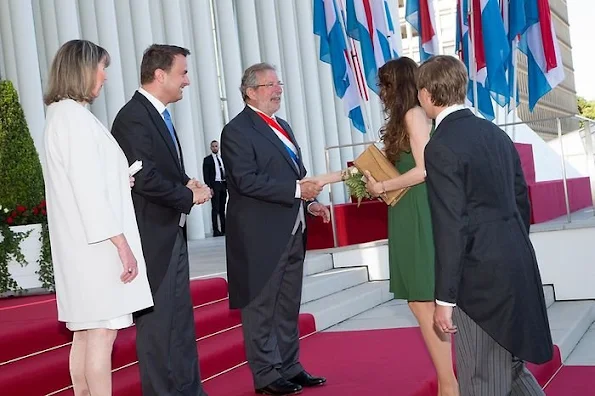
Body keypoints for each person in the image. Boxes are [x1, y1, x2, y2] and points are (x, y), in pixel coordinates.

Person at [303, 57, 459, 396]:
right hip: (405, 214)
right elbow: (371, 168)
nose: (379, 92)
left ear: (397, 85)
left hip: (418, 213)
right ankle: (448, 381)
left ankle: (449, 385)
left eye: (384, 84)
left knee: (424, 303)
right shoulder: (404, 120)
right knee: (419, 303)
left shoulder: (414, 115)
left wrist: (382, 189)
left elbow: (423, 169)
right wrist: (324, 179)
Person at [418, 55, 553, 396]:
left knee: (480, 378)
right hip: (516, 261)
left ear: (428, 94)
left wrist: (444, 299)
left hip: (479, 279)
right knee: (511, 368)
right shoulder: (495, 134)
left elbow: (451, 225)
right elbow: (522, 201)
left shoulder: (440, 146)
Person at [42, 39, 153, 396]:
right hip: (98, 246)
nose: (104, 77)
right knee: (102, 335)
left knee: (85, 335)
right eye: (101, 68)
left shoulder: (62, 116)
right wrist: (121, 244)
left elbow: (84, 181)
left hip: (82, 244)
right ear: (83, 70)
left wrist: (119, 179)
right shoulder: (74, 119)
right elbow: (88, 191)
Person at [221, 62, 330, 396]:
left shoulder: (281, 125)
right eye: (270, 84)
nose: (278, 90)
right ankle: (266, 374)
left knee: (287, 305)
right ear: (250, 91)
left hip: (293, 230)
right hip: (259, 236)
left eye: (278, 83)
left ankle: (289, 366)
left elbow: (296, 172)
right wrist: (298, 191)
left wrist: (309, 203)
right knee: (261, 308)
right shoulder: (236, 131)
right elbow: (246, 180)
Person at [111, 44, 211, 396]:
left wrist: (186, 181)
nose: (187, 81)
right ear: (160, 75)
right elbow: (144, 177)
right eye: (182, 72)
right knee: (157, 329)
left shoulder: (158, 114)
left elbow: (159, 168)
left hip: (171, 233)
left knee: (180, 324)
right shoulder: (133, 117)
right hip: (152, 236)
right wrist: (188, 196)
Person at [202, 140, 227, 236]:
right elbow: (206, 175)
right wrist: (210, 187)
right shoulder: (207, 160)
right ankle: (216, 230)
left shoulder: (222, 159)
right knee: (215, 208)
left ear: (219, 147)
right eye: (213, 146)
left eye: (216, 146)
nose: (215, 148)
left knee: (222, 208)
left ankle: (224, 229)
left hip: (223, 184)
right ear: (210, 148)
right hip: (214, 185)